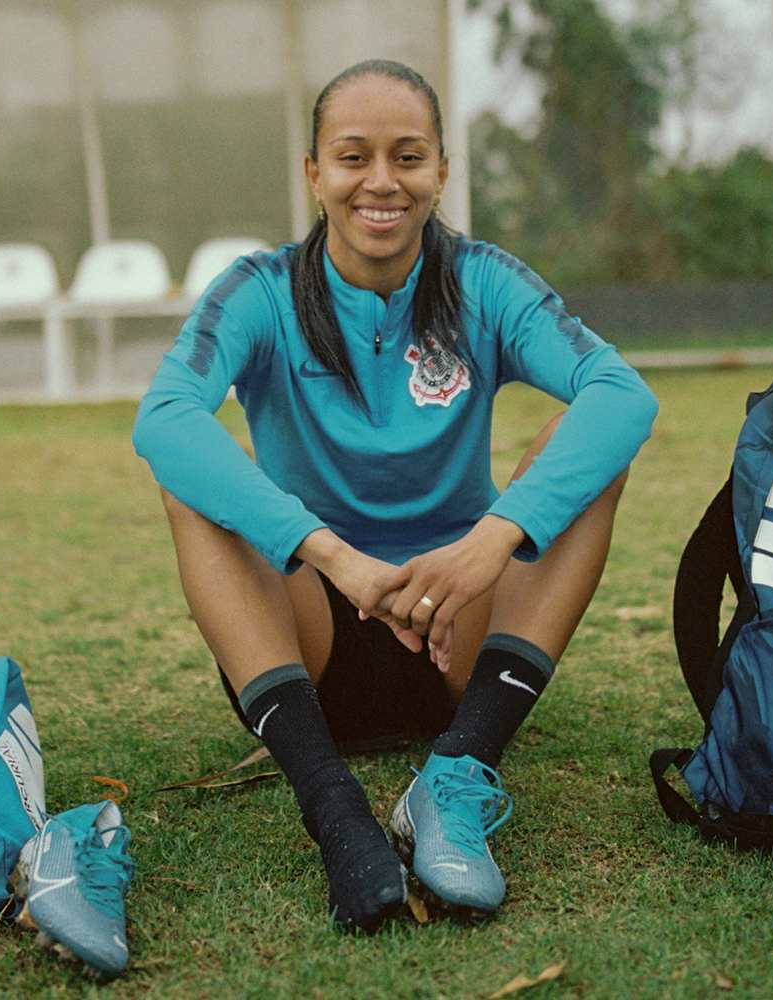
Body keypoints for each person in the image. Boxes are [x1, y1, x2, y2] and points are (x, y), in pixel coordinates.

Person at [131, 58, 657, 932]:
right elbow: (163, 419)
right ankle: (336, 811)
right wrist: (335, 557)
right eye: (353, 156)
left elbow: (622, 393)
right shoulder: (259, 291)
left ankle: (458, 774)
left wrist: (490, 541)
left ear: (442, 171)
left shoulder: (486, 281)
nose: (381, 181)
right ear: (314, 174)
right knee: (192, 480)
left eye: (408, 156)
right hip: (311, 636)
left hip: (462, 633)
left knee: (590, 445)